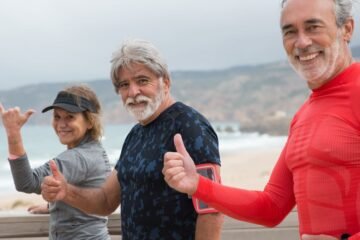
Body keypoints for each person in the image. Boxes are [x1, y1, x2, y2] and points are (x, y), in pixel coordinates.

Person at [162, 0, 360, 239]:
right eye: (290, 31)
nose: (302, 42)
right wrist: (197, 185)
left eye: (313, 27)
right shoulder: (303, 115)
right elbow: (271, 207)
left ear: (347, 29)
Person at [41, 39, 223, 240]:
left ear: (166, 82)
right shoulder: (135, 135)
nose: (133, 92)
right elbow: (105, 201)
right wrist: (66, 191)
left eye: (142, 80)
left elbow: (211, 208)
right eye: (124, 85)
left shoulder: (190, 126)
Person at [0, 85, 112, 239]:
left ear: (90, 121)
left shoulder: (77, 157)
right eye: (57, 116)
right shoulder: (95, 150)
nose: (61, 124)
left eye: (70, 117)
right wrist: (55, 206)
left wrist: (13, 133)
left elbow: (26, 182)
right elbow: (85, 189)